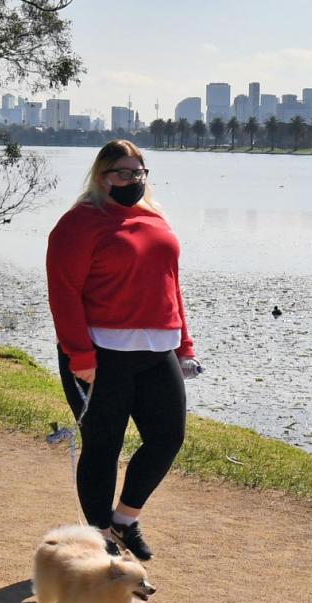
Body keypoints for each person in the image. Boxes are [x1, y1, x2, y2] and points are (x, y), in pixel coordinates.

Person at [46, 140, 201, 561]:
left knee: (168, 437)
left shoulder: (155, 220)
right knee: (103, 446)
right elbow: (63, 294)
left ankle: (125, 519)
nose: (132, 181)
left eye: (139, 173)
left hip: (158, 350)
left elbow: (171, 285)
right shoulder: (79, 224)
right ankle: (99, 540)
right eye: (123, 174)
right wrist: (80, 356)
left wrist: (184, 345)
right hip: (101, 353)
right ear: (101, 177)